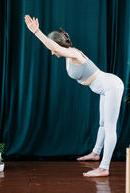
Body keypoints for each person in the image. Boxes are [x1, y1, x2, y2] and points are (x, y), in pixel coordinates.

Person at [24, 15, 124, 177]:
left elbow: (54, 46)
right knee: (102, 124)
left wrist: (37, 32)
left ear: (57, 46)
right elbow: (56, 47)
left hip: (111, 86)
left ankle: (104, 168)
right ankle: (96, 153)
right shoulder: (68, 56)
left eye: (52, 49)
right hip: (105, 88)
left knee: (110, 126)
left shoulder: (73, 53)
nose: (51, 52)